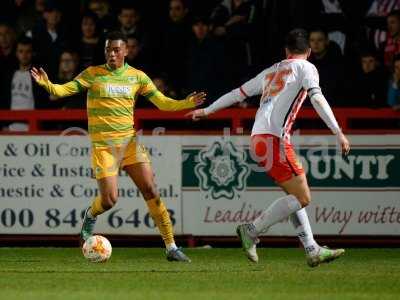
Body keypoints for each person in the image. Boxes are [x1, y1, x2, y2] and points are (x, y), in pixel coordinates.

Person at [31, 31, 206, 262]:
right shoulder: (93, 74)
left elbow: (162, 103)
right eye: (108, 50)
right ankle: (91, 214)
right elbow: (66, 89)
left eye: (116, 49)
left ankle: (171, 247)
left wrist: (185, 103)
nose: (111, 54)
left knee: (151, 190)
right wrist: (49, 85)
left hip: (129, 145)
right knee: (109, 200)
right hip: (104, 148)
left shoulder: (137, 77)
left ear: (125, 51)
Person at [187, 29, 350, 267]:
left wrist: (208, 110)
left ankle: (312, 249)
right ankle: (251, 230)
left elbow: (237, 93)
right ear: (309, 51)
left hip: (259, 138)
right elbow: (316, 97)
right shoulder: (307, 68)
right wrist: (338, 132)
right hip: (275, 140)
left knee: (294, 196)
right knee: (302, 197)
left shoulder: (271, 71)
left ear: (286, 51)